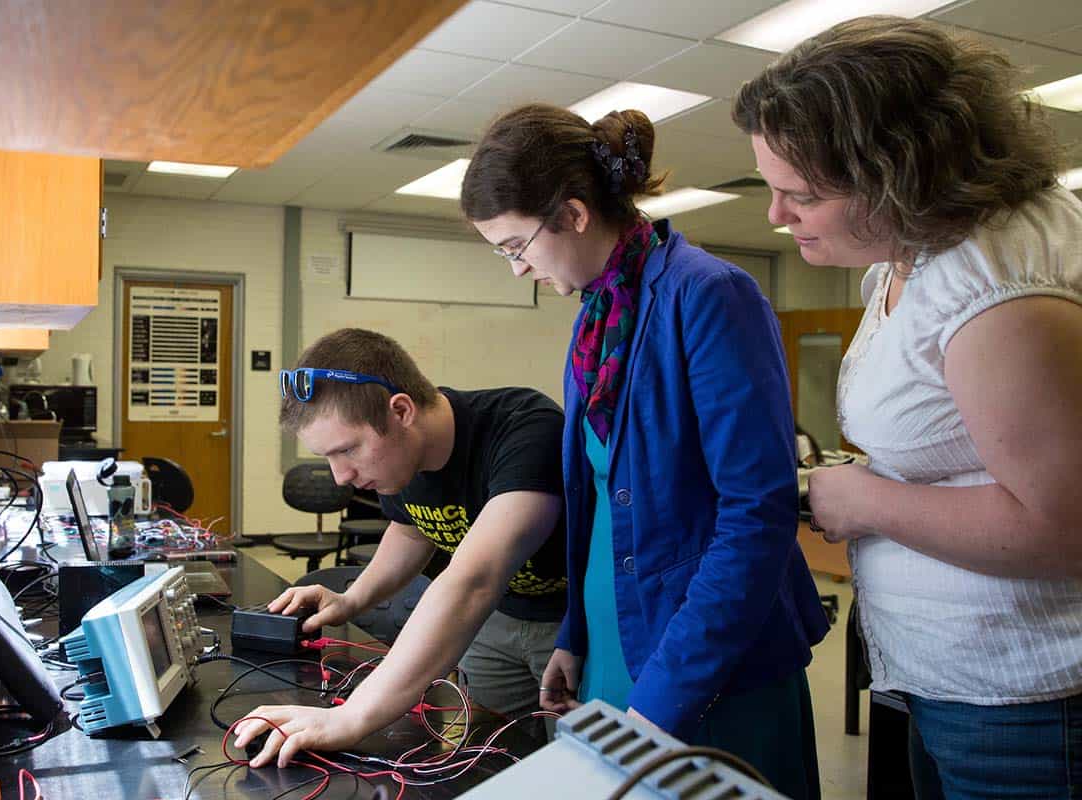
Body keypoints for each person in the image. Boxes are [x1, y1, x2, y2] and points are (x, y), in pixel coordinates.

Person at [734, 16, 1082, 800]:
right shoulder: (914, 254)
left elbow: (1063, 527)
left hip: (1025, 701)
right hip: (954, 680)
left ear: (901, 174)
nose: (776, 216)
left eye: (804, 194)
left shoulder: (1000, 292)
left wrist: (868, 500)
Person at [461, 103, 830, 799]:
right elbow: (596, 502)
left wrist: (666, 696)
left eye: (516, 246)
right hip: (613, 644)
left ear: (572, 214)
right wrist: (574, 632)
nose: (516, 269)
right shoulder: (597, 319)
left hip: (704, 662)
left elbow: (757, 513)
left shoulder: (709, 295)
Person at [231, 328, 568, 766]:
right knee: (494, 759)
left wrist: (349, 718)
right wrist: (352, 598)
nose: (340, 477)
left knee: (578, 765)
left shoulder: (526, 429)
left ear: (401, 411)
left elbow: (473, 581)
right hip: (496, 621)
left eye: (347, 450)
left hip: (571, 627)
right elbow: (411, 530)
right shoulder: (399, 461)